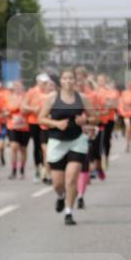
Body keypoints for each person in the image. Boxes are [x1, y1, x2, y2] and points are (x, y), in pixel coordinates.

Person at [39, 70, 95, 225]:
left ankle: (69, 212)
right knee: (57, 183)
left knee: (71, 178)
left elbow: (95, 118)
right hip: (57, 142)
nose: (68, 81)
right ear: (61, 81)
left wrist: (85, 120)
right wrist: (56, 123)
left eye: (71, 78)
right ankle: (60, 197)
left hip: (77, 141)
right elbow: (41, 118)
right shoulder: (52, 98)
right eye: (65, 78)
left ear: (75, 81)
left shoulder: (82, 99)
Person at [23, 74, 50, 181]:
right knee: (37, 146)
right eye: (42, 82)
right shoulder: (32, 91)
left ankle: (45, 167)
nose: (44, 84)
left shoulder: (49, 92)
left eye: (46, 82)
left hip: (47, 123)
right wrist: (33, 109)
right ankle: (38, 169)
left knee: (45, 148)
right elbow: (24, 105)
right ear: (37, 82)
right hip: (34, 122)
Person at [4, 79, 30, 178]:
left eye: (19, 86)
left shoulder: (27, 97)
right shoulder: (9, 97)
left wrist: (25, 109)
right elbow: (6, 110)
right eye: (16, 86)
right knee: (14, 147)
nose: (18, 88)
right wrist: (8, 112)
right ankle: (13, 170)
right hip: (12, 126)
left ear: (23, 87)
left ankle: (22, 169)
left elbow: (29, 109)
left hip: (24, 126)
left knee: (23, 149)